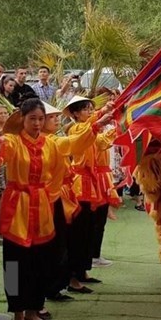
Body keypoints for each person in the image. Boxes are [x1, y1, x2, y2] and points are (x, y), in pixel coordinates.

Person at [0, 98, 113, 320]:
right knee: (14, 262)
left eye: (41, 119)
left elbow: (73, 143)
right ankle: (17, 312)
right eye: (32, 119)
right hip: (17, 207)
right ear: (22, 119)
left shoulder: (51, 143)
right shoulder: (13, 141)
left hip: (42, 207)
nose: (37, 123)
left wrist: (96, 125)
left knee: (41, 260)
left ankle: (33, 309)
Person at [64, 96, 119, 292]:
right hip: (80, 184)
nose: (89, 112)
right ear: (75, 113)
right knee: (79, 231)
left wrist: (116, 127)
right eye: (85, 109)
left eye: (91, 108)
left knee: (90, 229)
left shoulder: (91, 130)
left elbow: (101, 141)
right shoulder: (76, 129)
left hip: (95, 182)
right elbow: (89, 130)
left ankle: (83, 270)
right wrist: (103, 112)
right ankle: (72, 276)